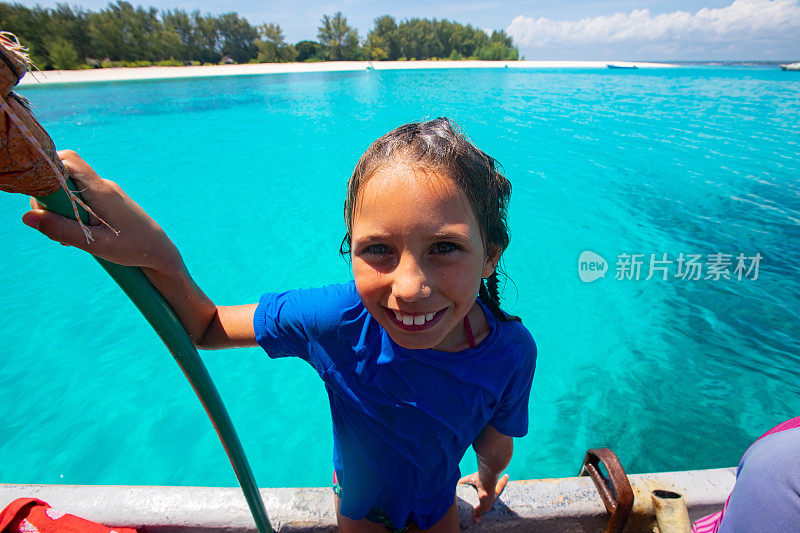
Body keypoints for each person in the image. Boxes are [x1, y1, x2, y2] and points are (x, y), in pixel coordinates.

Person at [21, 117, 537, 533]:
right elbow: (208, 326)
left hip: (435, 507)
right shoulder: (334, 320)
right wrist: (157, 253)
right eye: (378, 250)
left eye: (444, 248)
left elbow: (494, 441)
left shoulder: (512, 351)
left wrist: (489, 479)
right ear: (349, 252)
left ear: (490, 255)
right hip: (359, 513)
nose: (410, 287)